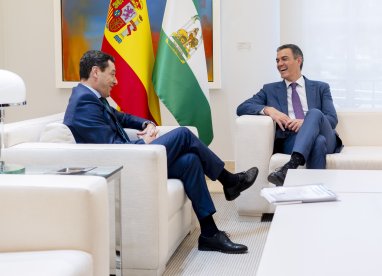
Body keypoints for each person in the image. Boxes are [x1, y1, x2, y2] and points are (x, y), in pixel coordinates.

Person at [64, 50, 258, 254]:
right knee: (183, 134)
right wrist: (143, 144)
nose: (116, 80)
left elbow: (120, 117)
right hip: (126, 165)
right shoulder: (84, 103)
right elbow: (111, 149)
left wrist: (146, 123)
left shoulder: (92, 98)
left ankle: (209, 233)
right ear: (96, 72)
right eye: (112, 74)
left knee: (190, 161)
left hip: (132, 159)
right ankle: (229, 181)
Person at [237, 44, 342, 186]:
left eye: (284, 59)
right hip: (291, 139)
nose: (280, 64)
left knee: (315, 113)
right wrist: (268, 110)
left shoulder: (321, 87)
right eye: (277, 60)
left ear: (298, 60)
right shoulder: (270, 89)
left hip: (326, 135)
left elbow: (331, 118)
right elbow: (242, 107)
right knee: (318, 142)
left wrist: (306, 122)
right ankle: (316, 194)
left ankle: (290, 166)